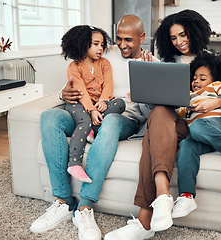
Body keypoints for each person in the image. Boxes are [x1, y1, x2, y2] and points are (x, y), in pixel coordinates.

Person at [105, 9, 221, 240]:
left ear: (195, 32)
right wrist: (146, 91)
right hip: (175, 121)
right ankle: (162, 197)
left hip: (203, 123)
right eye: (173, 37)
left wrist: (216, 101)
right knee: (158, 114)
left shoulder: (212, 61)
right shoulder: (167, 62)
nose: (179, 42)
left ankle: (144, 220)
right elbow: (148, 112)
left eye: (183, 35)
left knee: (152, 137)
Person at [30, 15, 158, 240]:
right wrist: (63, 93)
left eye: (128, 40)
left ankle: (85, 208)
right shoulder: (103, 53)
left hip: (122, 117)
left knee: (110, 120)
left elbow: (153, 113)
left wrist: (147, 84)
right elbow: (80, 77)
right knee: (50, 117)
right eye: (118, 39)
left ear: (142, 38)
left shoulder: (151, 62)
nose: (121, 45)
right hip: (87, 115)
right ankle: (63, 202)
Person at [172, 52, 221, 218]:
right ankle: (186, 195)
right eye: (194, 78)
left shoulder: (217, 87)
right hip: (199, 135)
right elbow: (179, 113)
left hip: (218, 126)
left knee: (197, 126)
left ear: (213, 79)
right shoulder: (189, 97)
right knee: (185, 146)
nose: (197, 81)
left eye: (202, 78)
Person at [60, 25, 125, 183]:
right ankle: (74, 164)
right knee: (84, 121)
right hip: (79, 103)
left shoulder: (104, 64)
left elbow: (108, 84)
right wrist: (91, 110)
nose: (100, 48)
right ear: (83, 44)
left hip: (99, 103)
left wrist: (103, 100)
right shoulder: (74, 67)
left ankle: (92, 129)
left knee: (120, 103)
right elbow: (80, 89)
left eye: (102, 44)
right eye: (96, 44)